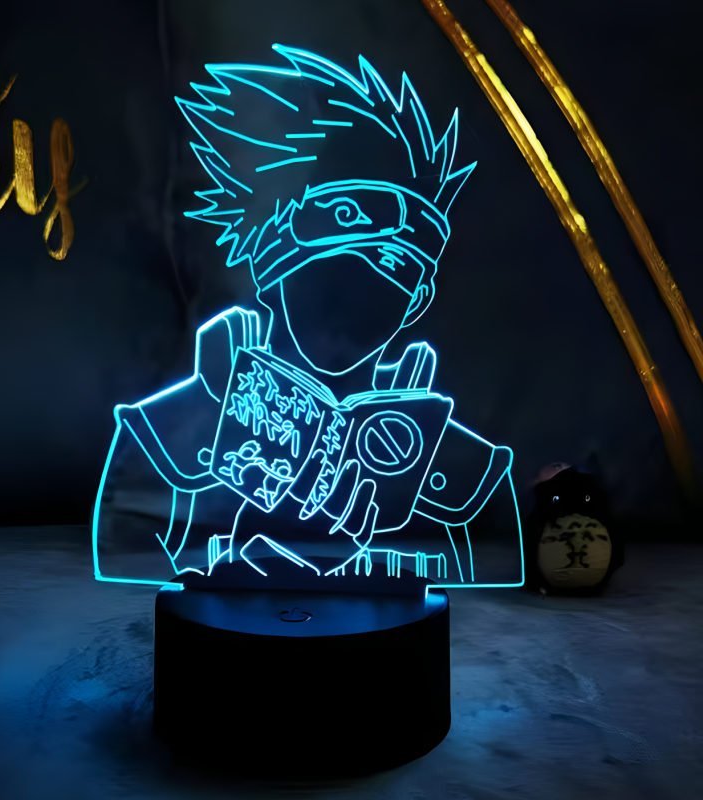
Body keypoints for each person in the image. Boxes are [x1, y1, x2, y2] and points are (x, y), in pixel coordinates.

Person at [92, 45, 524, 587]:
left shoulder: (457, 466)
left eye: (399, 267)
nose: (367, 285)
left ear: (417, 299)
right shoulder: (169, 432)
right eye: (345, 248)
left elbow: (487, 579)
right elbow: (126, 565)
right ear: (271, 257)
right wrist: (209, 419)